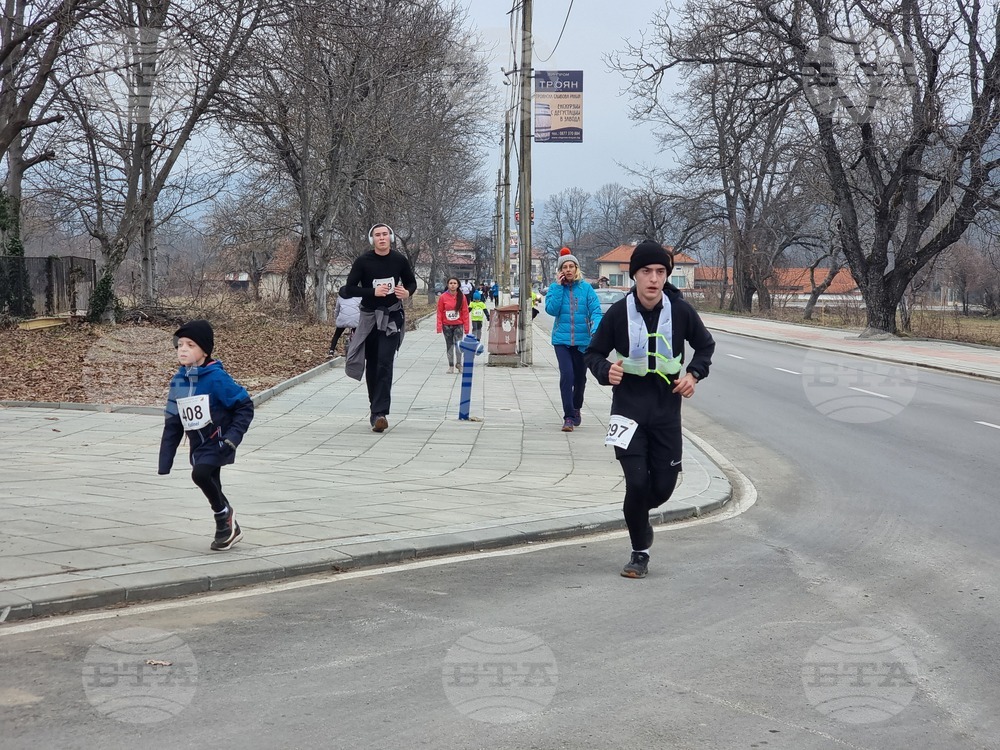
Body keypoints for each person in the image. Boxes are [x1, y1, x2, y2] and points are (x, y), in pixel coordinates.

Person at [584, 240, 715, 579]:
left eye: (660, 272)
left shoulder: (681, 312)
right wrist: (605, 371)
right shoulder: (618, 313)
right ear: (635, 276)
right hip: (628, 410)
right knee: (637, 483)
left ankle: (638, 518)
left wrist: (694, 374)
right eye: (646, 272)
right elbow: (594, 353)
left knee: (663, 487)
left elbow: (705, 346)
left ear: (666, 275)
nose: (653, 279)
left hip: (666, 413)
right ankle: (639, 551)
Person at [158, 319, 255, 551]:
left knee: (200, 475)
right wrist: (165, 459)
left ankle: (223, 516)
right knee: (211, 482)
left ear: (204, 351)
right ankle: (228, 525)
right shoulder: (178, 381)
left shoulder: (217, 378)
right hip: (197, 444)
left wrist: (232, 438)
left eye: (190, 345)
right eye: (180, 344)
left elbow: (245, 406)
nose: (183, 349)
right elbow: (173, 422)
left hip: (219, 440)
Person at [341, 223, 418, 432]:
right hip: (369, 319)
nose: (382, 238)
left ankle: (381, 412)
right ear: (372, 239)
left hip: (392, 318)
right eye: (377, 235)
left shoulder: (399, 260)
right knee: (373, 364)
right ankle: (375, 411)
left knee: (385, 362)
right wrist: (372, 292)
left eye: (385, 234)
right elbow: (348, 289)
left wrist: (407, 293)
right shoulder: (363, 261)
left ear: (391, 237)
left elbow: (412, 283)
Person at [545, 247, 603, 432]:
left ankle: (576, 407)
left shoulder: (586, 289)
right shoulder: (555, 288)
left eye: (571, 266)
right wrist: (559, 288)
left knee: (580, 379)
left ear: (576, 268)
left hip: (582, 342)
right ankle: (568, 417)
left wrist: (595, 328)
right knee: (567, 376)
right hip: (561, 341)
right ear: (560, 271)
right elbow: (551, 310)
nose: (568, 270)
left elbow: (596, 310)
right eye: (565, 267)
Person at [436, 276, 470, 373]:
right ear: (447, 285)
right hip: (446, 325)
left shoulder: (462, 297)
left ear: (458, 285)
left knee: (458, 345)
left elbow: (465, 312)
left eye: (455, 283)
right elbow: (439, 312)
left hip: (458, 325)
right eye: (451, 283)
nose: (452, 285)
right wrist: (439, 326)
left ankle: (459, 364)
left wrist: (466, 328)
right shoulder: (443, 297)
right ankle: (451, 366)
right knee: (449, 345)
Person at [328, 292, 361, 357]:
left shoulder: (340, 298)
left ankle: (331, 351)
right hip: (355, 320)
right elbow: (361, 309)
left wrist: (337, 319)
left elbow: (337, 310)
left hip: (342, 319)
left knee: (336, 335)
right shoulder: (359, 297)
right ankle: (357, 351)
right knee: (357, 335)